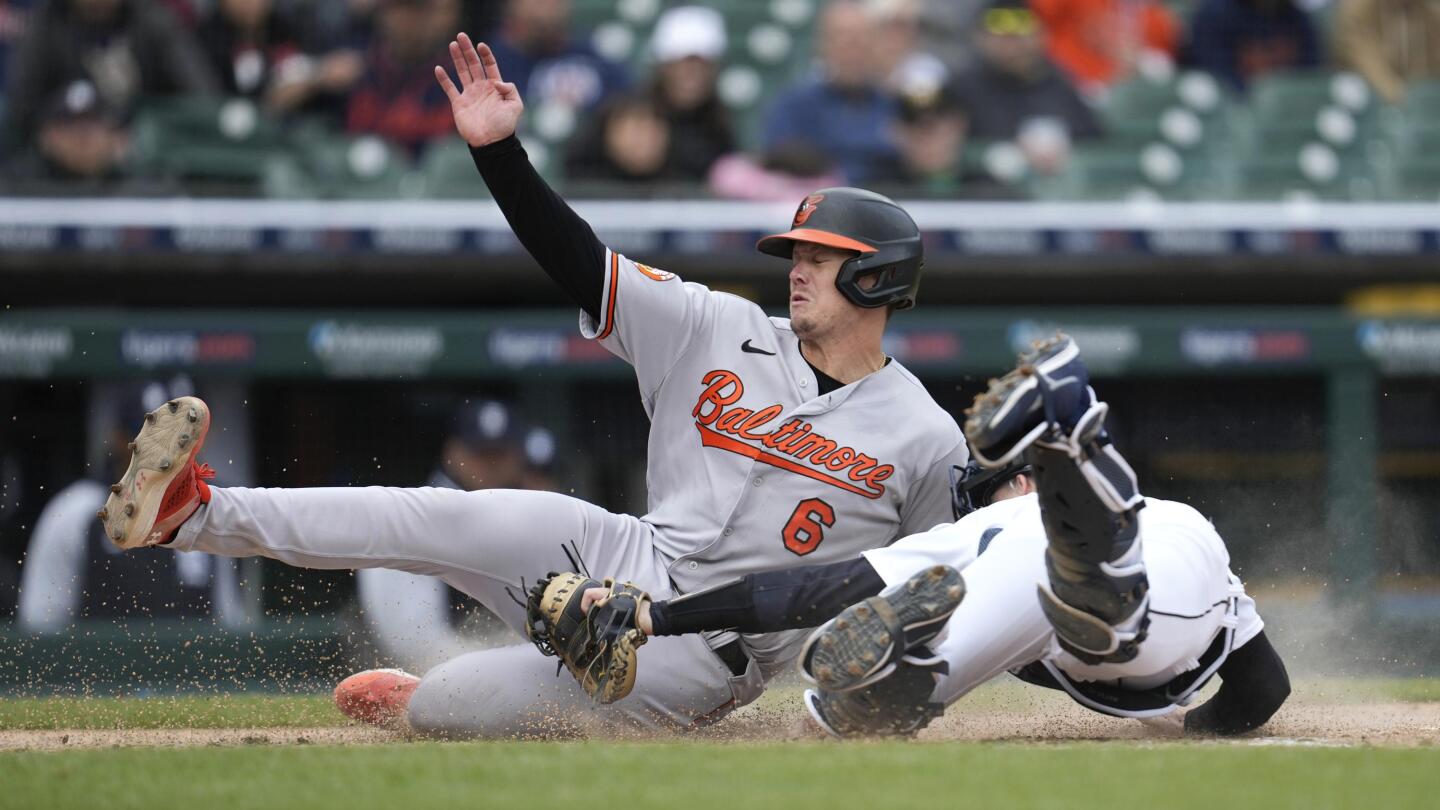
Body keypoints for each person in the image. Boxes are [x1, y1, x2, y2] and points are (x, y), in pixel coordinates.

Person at [98, 33, 968, 739]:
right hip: (626, 552)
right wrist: (499, 155)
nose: (798, 271)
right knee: (432, 514)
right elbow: (581, 263)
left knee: (453, 704)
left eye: (824, 259)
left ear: (882, 281)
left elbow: (935, 593)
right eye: (797, 254)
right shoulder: (718, 325)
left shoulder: (924, 437)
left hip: (710, 652)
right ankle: (195, 513)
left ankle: (425, 703)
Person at [563, 334, 1290, 738]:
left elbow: (813, 591)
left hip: (1110, 572)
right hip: (1163, 600)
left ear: (1025, 482)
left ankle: (922, 666)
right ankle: (1079, 511)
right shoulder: (1007, 532)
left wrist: (662, 615)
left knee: (849, 710)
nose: (976, 501)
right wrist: (1192, 733)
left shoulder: (995, 525)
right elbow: (1264, 687)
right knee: (1057, 594)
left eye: (998, 480)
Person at [17, 380, 247, 635]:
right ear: (120, 438)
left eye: (181, 439)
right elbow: (40, 629)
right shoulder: (77, 511)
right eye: (152, 439)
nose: (167, 454)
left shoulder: (210, 508)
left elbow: (229, 629)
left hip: (189, 673)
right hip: (101, 672)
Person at [356, 399, 559, 672]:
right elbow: (418, 648)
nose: (490, 465)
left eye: (500, 454)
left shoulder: (511, 515)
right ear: (453, 452)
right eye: (481, 454)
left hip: (478, 670)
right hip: (409, 676)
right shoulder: (421, 514)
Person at [5, 0, 218, 145]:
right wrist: (56, 135)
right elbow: (21, 109)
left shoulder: (154, 21)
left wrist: (143, 135)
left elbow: (202, 101)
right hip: (50, 168)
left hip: (145, 164)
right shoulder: (44, 24)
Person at [950, 0, 1103, 175]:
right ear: (980, 37)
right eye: (1001, 37)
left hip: (1057, 192)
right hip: (981, 194)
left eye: (1018, 36)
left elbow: (1094, 141)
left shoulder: (1061, 84)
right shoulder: (963, 89)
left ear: (1040, 36)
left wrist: (1066, 153)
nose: (1011, 46)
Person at [762, 0, 901, 185]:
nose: (852, 51)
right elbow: (778, 163)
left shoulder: (896, 104)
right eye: (842, 39)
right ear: (822, 44)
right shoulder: (794, 106)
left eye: (861, 39)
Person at [346, 0, 460, 156]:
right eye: (396, 9)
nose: (405, 20)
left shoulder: (458, 76)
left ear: (434, 17)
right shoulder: (358, 71)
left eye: (417, 11)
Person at [483, 0, 628, 114]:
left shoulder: (591, 53)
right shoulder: (493, 61)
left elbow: (622, 101)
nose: (547, 9)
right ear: (513, 5)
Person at [645, 5, 735, 181]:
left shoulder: (720, 123)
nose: (691, 73)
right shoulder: (633, 116)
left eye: (702, 64)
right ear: (663, 67)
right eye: (681, 63)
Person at [1030, 0, 1180, 95]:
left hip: (1129, 100)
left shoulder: (1156, 19)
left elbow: (1164, 72)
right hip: (1070, 92)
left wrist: (1141, 60)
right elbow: (1034, 21)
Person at [1185, 0, 1320, 94]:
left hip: (1286, 116)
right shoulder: (1214, 15)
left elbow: (1310, 80)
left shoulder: (1299, 18)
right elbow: (1219, 83)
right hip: (1232, 120)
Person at [1334, 0, 1440, 105]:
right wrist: (1398, 93)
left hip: (1415, 101)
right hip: (1361, 98)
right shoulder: (1358, 7)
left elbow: (1434, 62)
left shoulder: (1430, 11)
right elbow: (1362, 56)